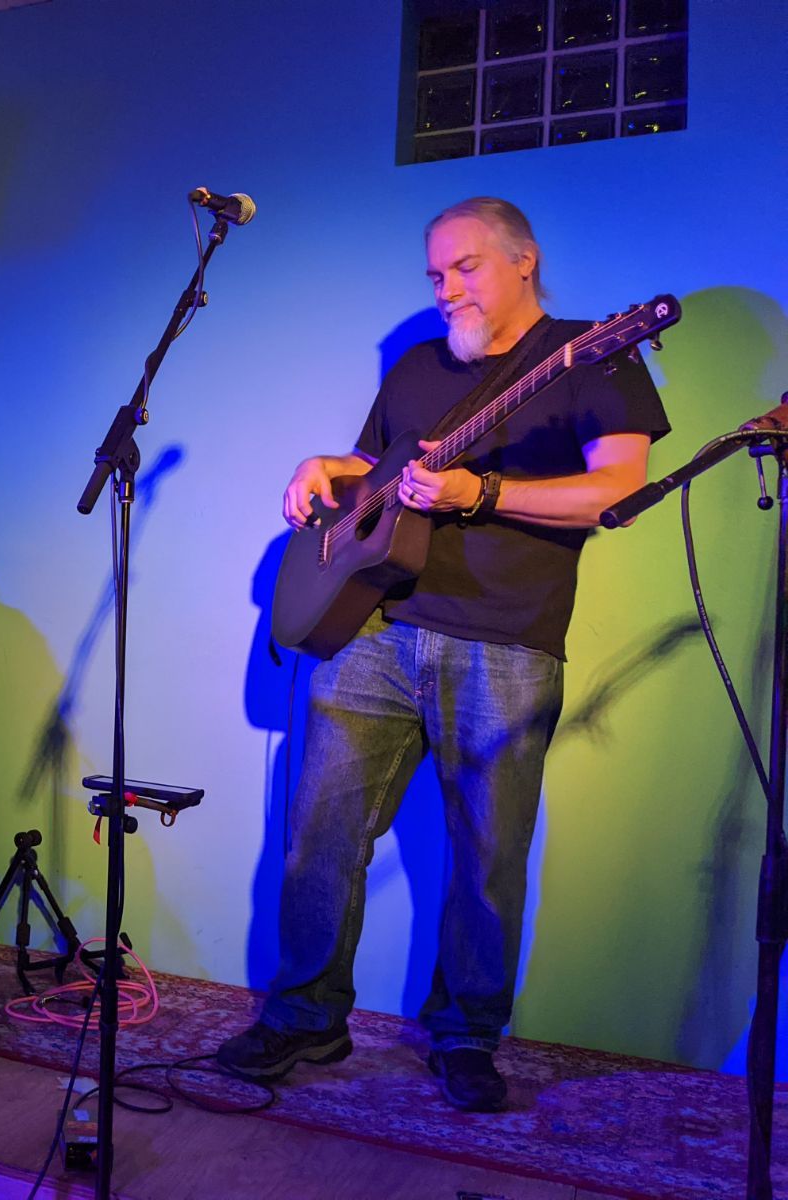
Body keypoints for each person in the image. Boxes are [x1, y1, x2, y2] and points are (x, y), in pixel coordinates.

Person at [217, 198, 670, 1111]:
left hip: (506, 639)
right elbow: (367, 467)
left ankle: (466, 1036)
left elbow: (620, 489)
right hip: (378, 628)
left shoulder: (592, 352)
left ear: (524, 261)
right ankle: (305, 1017)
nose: (446, 287)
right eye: (434, 273)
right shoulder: (421, 365)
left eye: (464, 267)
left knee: (488, 855)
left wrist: (483, 491)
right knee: (320, 833)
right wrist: (320, 466)